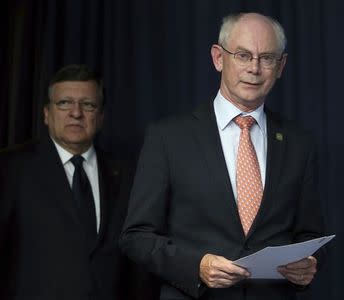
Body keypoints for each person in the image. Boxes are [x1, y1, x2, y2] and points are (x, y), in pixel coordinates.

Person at [120, 13, 325, 300]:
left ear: (281, 66)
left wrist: (307, 267)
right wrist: (196, 266)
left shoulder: (299, 143)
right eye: (243, 55)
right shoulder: (168, 137)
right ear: (218, 58)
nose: (254, 68)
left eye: (266, 58)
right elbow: (136, 236)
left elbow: (310, 235)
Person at [0, 64, 152, 300]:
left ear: (100, 117)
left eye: (88, 104)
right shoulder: (11, 170)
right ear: (46, 114)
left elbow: (138, 260)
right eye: (64, 103)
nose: (76, 113)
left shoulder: (128, 174)